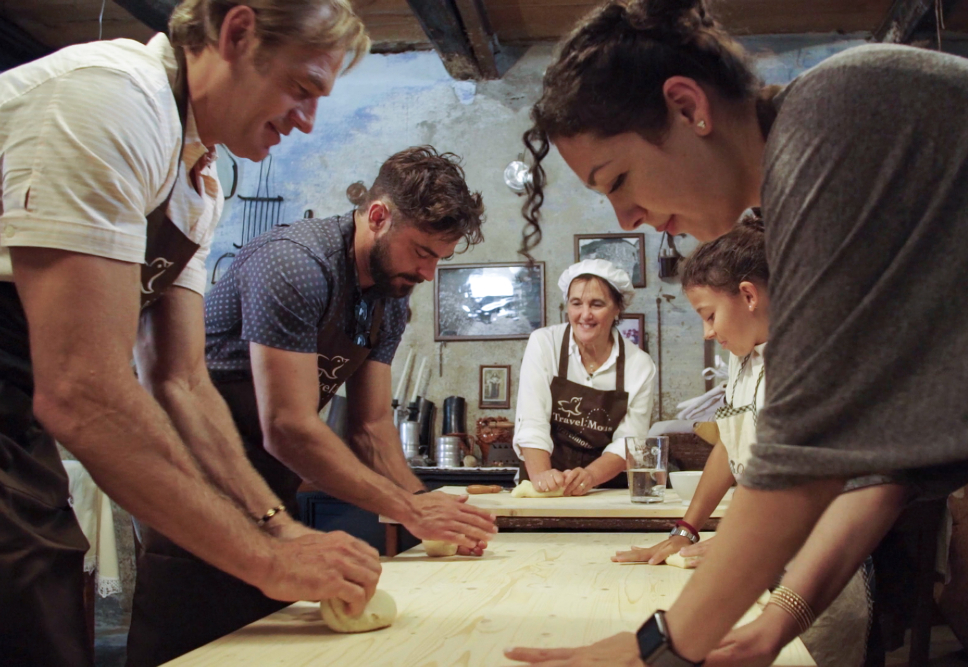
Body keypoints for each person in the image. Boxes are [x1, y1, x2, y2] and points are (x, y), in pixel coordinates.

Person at [503, 0, 968, 665]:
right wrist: (774, 622)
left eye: (618, 179)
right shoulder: (798, 192)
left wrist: (661, 648)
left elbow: (802, 455)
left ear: (687, 108)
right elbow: (874, 465)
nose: (627, 216)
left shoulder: (831, 119)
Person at [0, 2, 380, 666]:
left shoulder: (199, 181)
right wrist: (265, 560)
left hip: (17, 400)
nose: (309, 120)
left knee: (47, 582)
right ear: (237, 33)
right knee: (31, 601)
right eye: (302, 87)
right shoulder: (110, 99)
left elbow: (179, 380)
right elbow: (84, 393)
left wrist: (276, 523)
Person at [125, 145, 497, 663]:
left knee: (265, 641)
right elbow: (288, 426)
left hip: (271, 478)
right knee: (192, 638)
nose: (429, 273)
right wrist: (407, 509)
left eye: (440, 257)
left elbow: (370, 426)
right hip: (194, 470)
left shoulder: (389, 297)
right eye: (422, 252)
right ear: (378, 216)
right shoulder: (296, 263)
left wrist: (428, 509)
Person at [614, 215, 881, 667]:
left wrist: (743, 541)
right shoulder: (743, 358)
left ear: (749, 295)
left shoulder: (811, 358)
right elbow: (729, 446)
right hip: (763, 550)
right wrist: (686, 529)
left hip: (821, 566)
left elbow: (835, 488)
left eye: (709, 316)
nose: (708, 332)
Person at [513, 259, 655, 494]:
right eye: (576, 303)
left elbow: (630, 442)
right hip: (543, 482)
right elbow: (532, 420)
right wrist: (542, 477)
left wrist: (589, 476)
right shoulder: (544, 344)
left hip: (603, 489)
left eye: (597, 304)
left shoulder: (639, 365)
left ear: (617, 308)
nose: (585, 314)